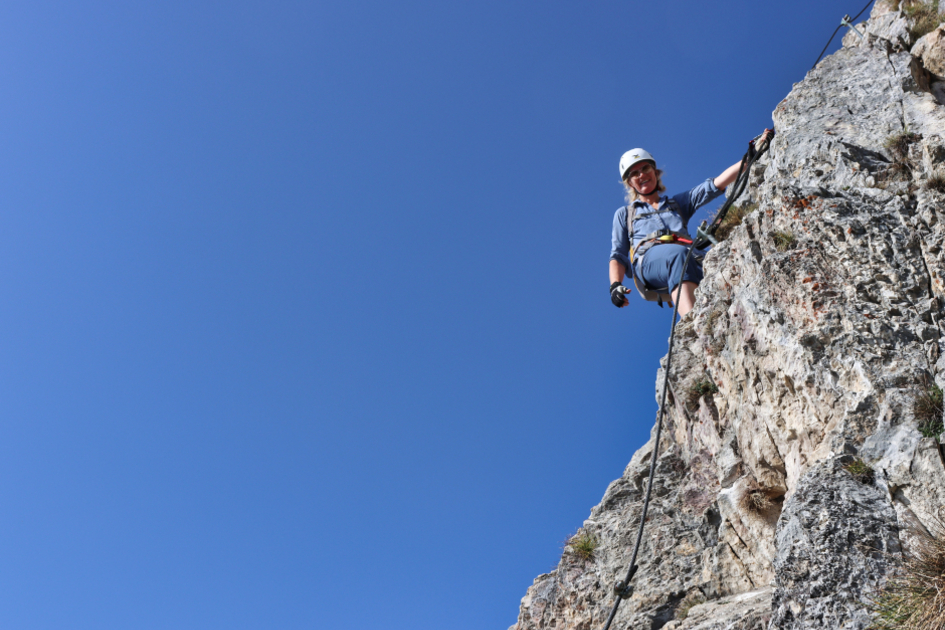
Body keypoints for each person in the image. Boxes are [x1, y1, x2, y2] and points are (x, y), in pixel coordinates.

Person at [609, 131, 773, 317]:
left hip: (688, 253)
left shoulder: (677, 204)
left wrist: (752, 154)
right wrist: (615, 285)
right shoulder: (625, 214)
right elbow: (618, 255)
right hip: (649, 261)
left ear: (655, 172)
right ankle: (693, 324)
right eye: (634, 173)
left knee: (728, 261)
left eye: (645, 168)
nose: (641, 175)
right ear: (630, 183)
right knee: (677, 256)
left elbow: (714, 185)